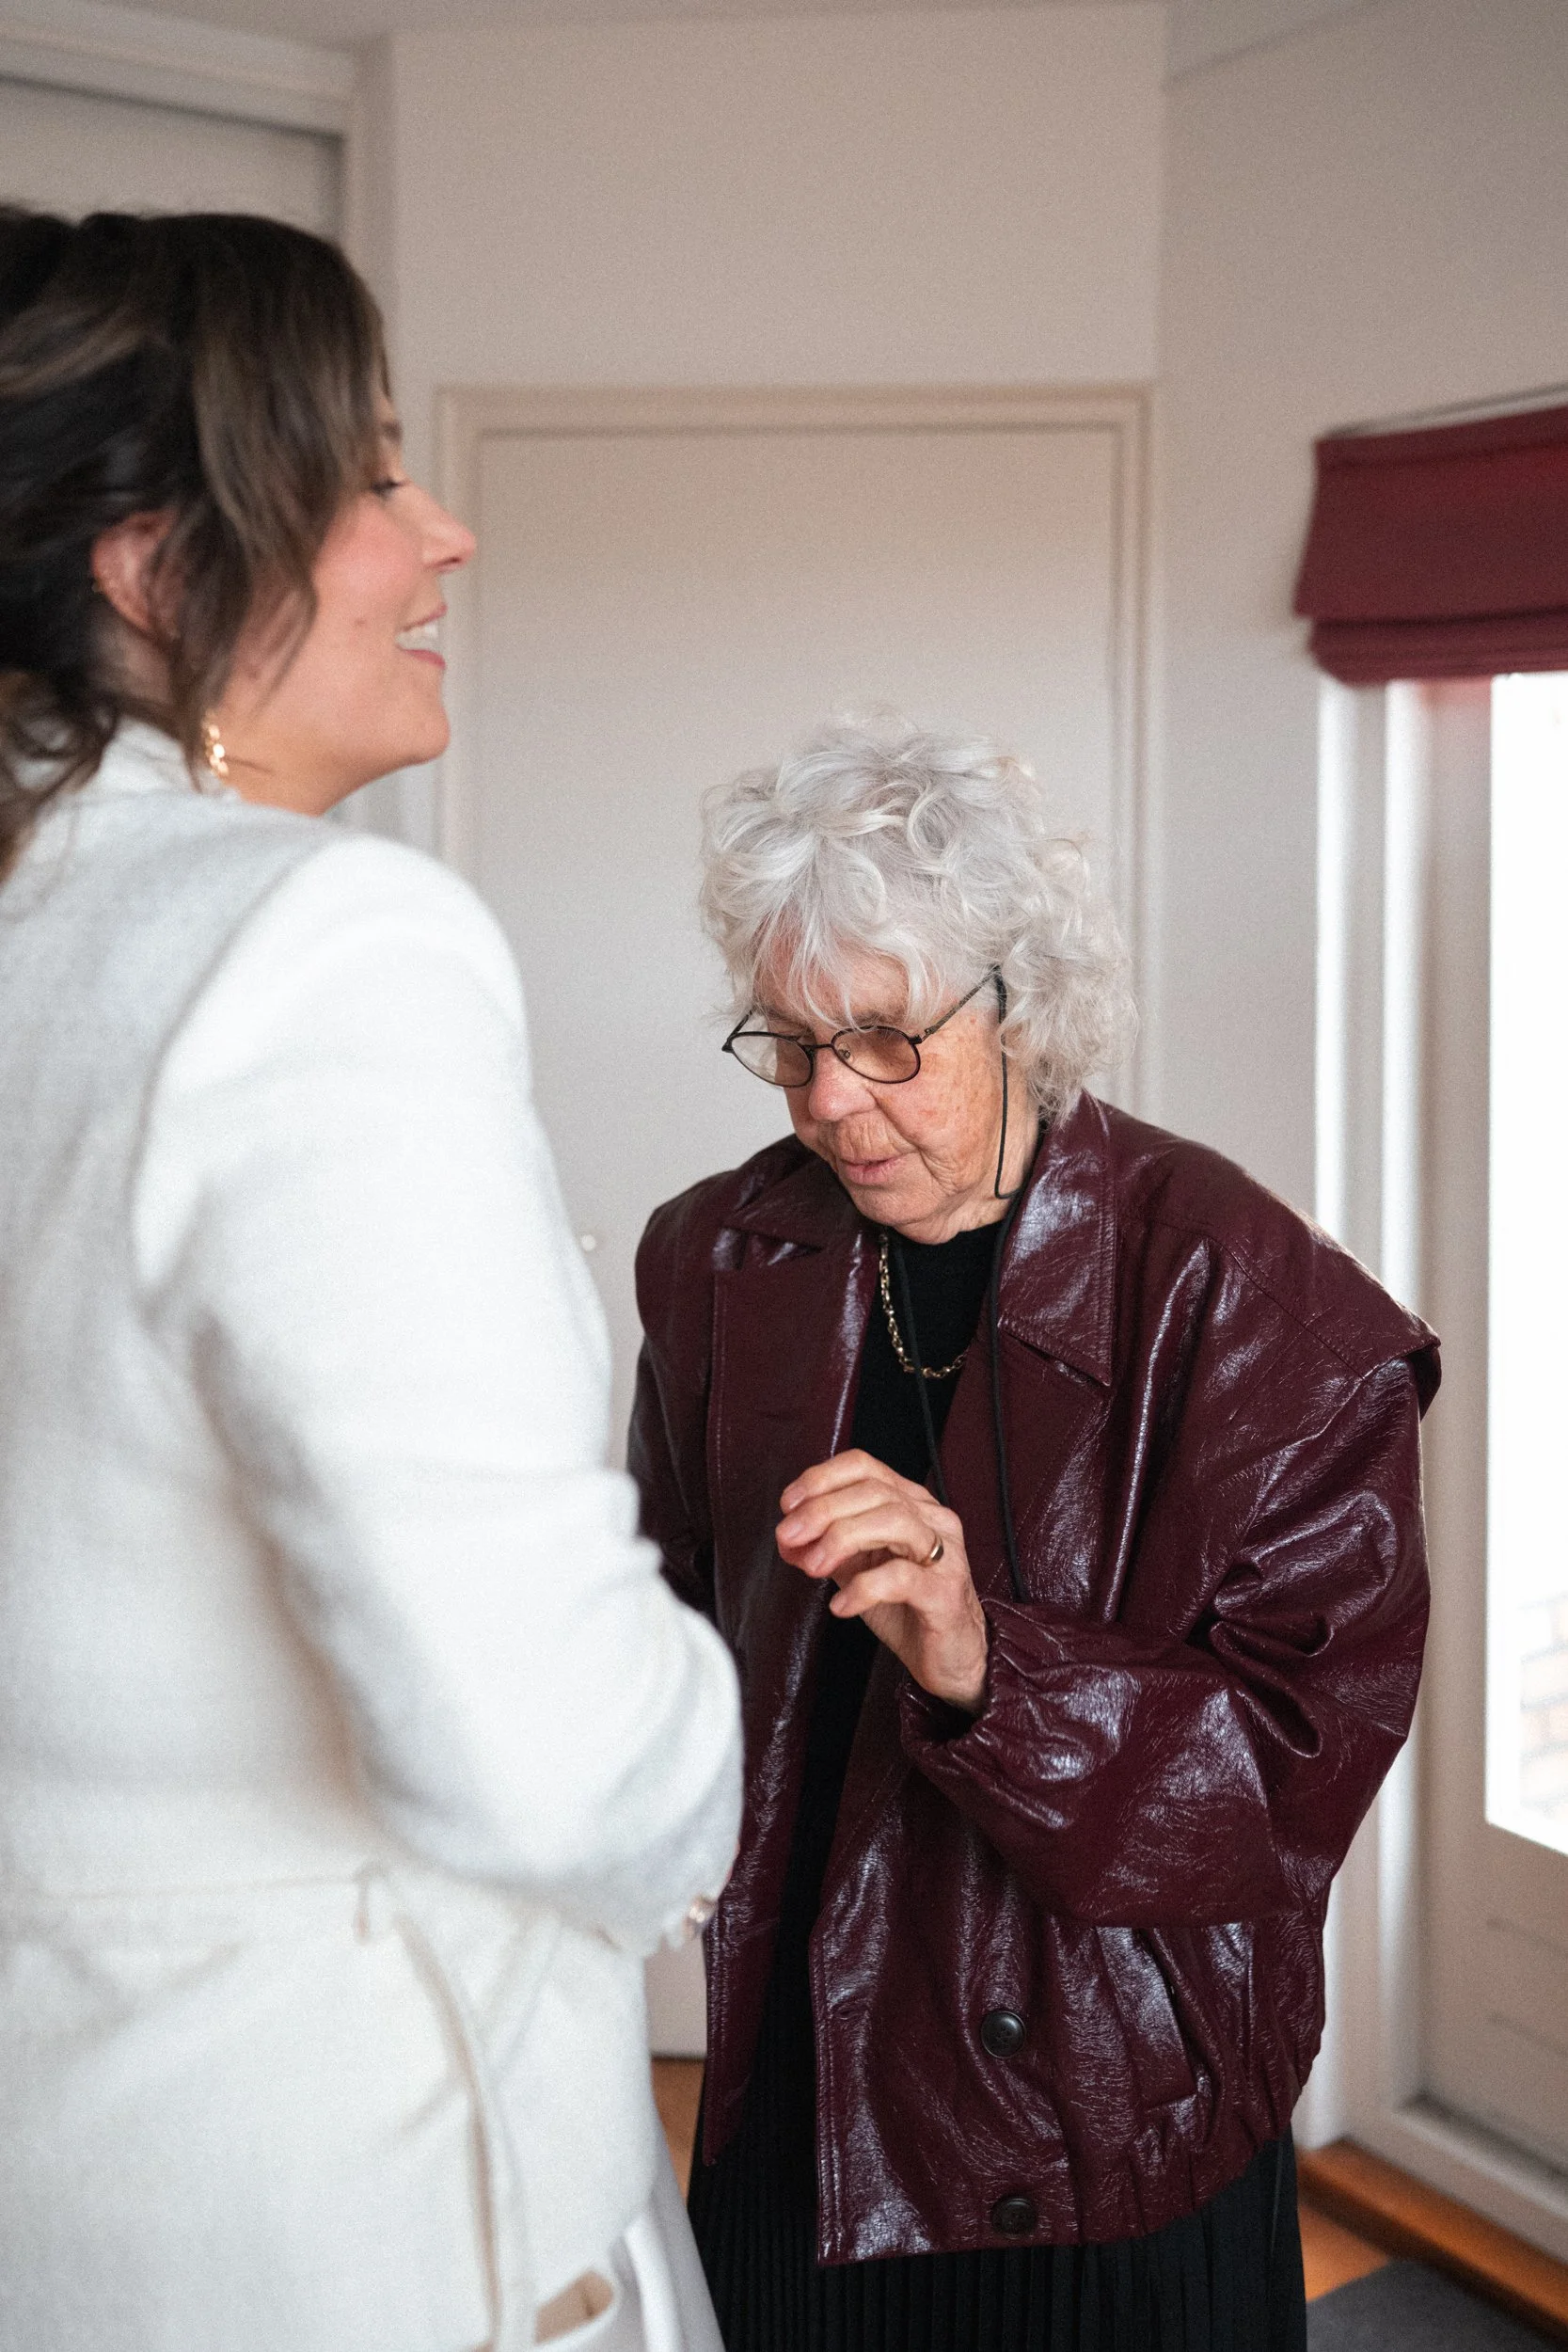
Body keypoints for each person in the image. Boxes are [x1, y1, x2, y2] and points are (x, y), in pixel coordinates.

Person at [0, 206, 740, 2352]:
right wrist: (722, 1731)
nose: (446, 539)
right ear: (154, 564)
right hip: (351, 2219)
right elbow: (541, 1747)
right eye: (377, 473)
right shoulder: (310, 946)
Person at [630, 717, 1439, 2352]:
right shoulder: (717, 1256)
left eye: (883, 1037)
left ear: (1018, 1002)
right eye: (786, 1043)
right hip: (803, 2077)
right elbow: (656, 1614)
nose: (831, 1105)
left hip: (1104, 2118)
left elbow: (1284, 1783)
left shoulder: (1250, 1299)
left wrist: (985, 1662)